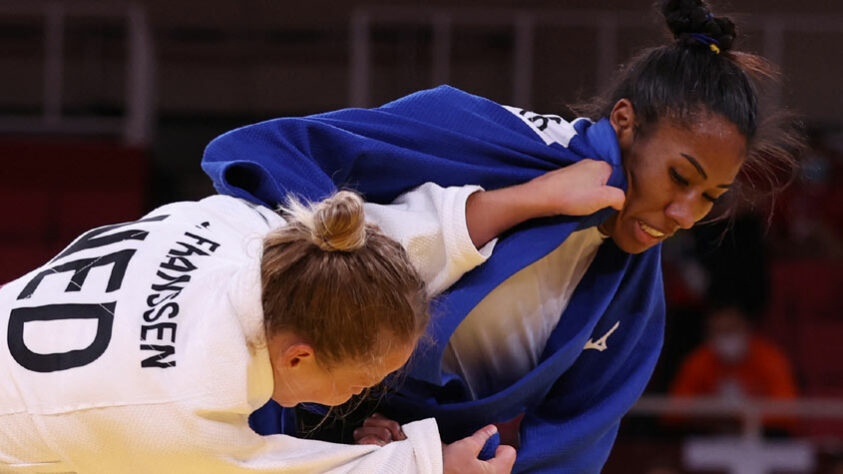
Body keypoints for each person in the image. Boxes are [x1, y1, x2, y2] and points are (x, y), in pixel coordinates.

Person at [200, 0, 801, 471]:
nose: (686, 214)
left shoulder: (633, 299)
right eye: (679, 177)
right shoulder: (487, 135)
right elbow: (267, 153)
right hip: (282, 404)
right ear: (624, 122)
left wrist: (420, 454)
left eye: (710, 198)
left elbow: (570, 446)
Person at [0, 191, 516, 473]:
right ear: (297, 358)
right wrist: (435, 467)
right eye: (361, 382)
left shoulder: (230, 224)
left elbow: (358, 241)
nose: (367, 395)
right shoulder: (184, 412)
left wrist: (531, 200)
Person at [668, 304, 799, 435]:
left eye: (731, 330)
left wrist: (742, 416)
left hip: (763, 439)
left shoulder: (770, 358)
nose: (726, 337)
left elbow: (787, 410)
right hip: (708, 435)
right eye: (718, 331)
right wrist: (710, 413)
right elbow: (674, 411)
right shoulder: (698, 361)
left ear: (747, 329)